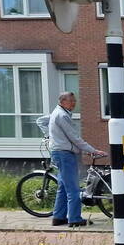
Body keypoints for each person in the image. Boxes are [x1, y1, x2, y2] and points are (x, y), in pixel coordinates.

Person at [45, 92, 106, 228]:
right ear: (62, 101)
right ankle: (74, 219)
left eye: (74, 101)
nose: (74, 103)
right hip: (64, 155)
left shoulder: (58, 113)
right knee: (73, 188)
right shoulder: (62, 115)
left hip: (59, 153)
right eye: (71, 101)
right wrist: (92, 150)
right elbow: (74, 137)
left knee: (63, 187)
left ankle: (58, 217)